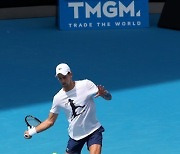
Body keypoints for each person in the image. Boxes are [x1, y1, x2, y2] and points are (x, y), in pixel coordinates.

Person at [24, 63, 112, 154]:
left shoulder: (86, 85)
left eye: (64, 77)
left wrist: (104, 93)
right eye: (60, 78)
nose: (62, 81)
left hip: (93, 130)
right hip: (75, 136)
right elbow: (50, 121)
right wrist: (31, 132)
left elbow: (109, 97)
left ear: (70, 74)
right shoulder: (58, 98)